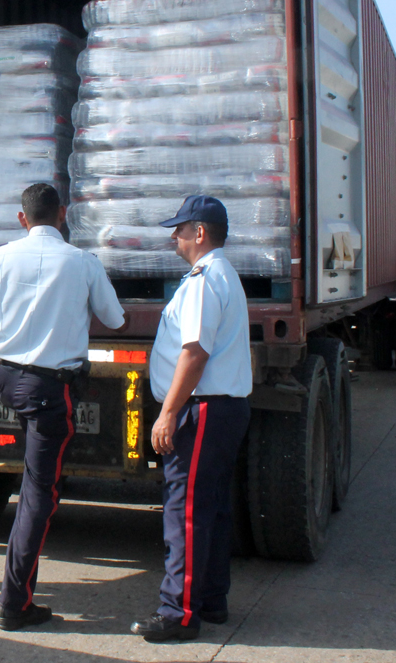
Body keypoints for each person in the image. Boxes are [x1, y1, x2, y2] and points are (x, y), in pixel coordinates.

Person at [0, 182, 125, 632]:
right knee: (38, 495)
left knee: (32, 471)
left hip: (2, 377)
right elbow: (115, 319)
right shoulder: (82, 262)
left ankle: (19, 593)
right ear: (63, 214)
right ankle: (15, 604)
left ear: (21, 218)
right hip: (50, 390)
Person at [129, 195, 252, 643]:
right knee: (213, 509)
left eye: (180, 229)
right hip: (223, 408)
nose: (174, 237)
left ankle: (178, 612)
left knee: (185, 513)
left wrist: (168, 412)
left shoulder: (204, 280)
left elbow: (194, 352)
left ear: (200, 233)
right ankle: (211, 600)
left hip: (203, 410)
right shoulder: (222, 274)